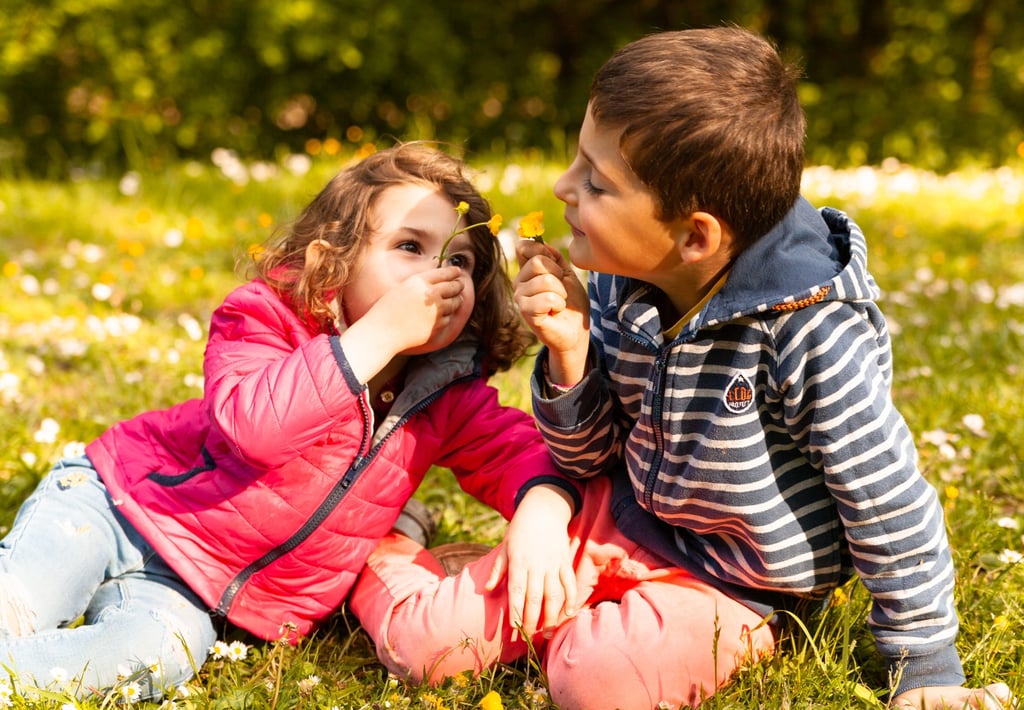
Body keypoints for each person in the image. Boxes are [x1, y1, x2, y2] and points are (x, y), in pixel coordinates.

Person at [349, 27, 1015, 710]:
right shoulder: (623, 278)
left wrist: (926, 666)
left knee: (594, 684)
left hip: (735, 582)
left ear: (694, 236)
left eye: (596, 182)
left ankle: (599, 626)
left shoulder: (811, 333)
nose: (562, 186)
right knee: (428, 647)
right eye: (577, 161)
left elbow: (887, 500)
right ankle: (389, 550)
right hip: (619, 515)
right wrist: (571, 353)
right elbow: (588, 457)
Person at [0, 142, 581, 702]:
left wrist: (543, 512)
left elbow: (520, 453)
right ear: (333, 262)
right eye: (410, 246)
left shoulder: (448, 393)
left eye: (459, 260)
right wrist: (378, 335)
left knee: (154, 654)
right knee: (17, 599)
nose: (439, 273)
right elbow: (255, 428)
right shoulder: (266, 318)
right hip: (118, 505)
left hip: (192, 592)